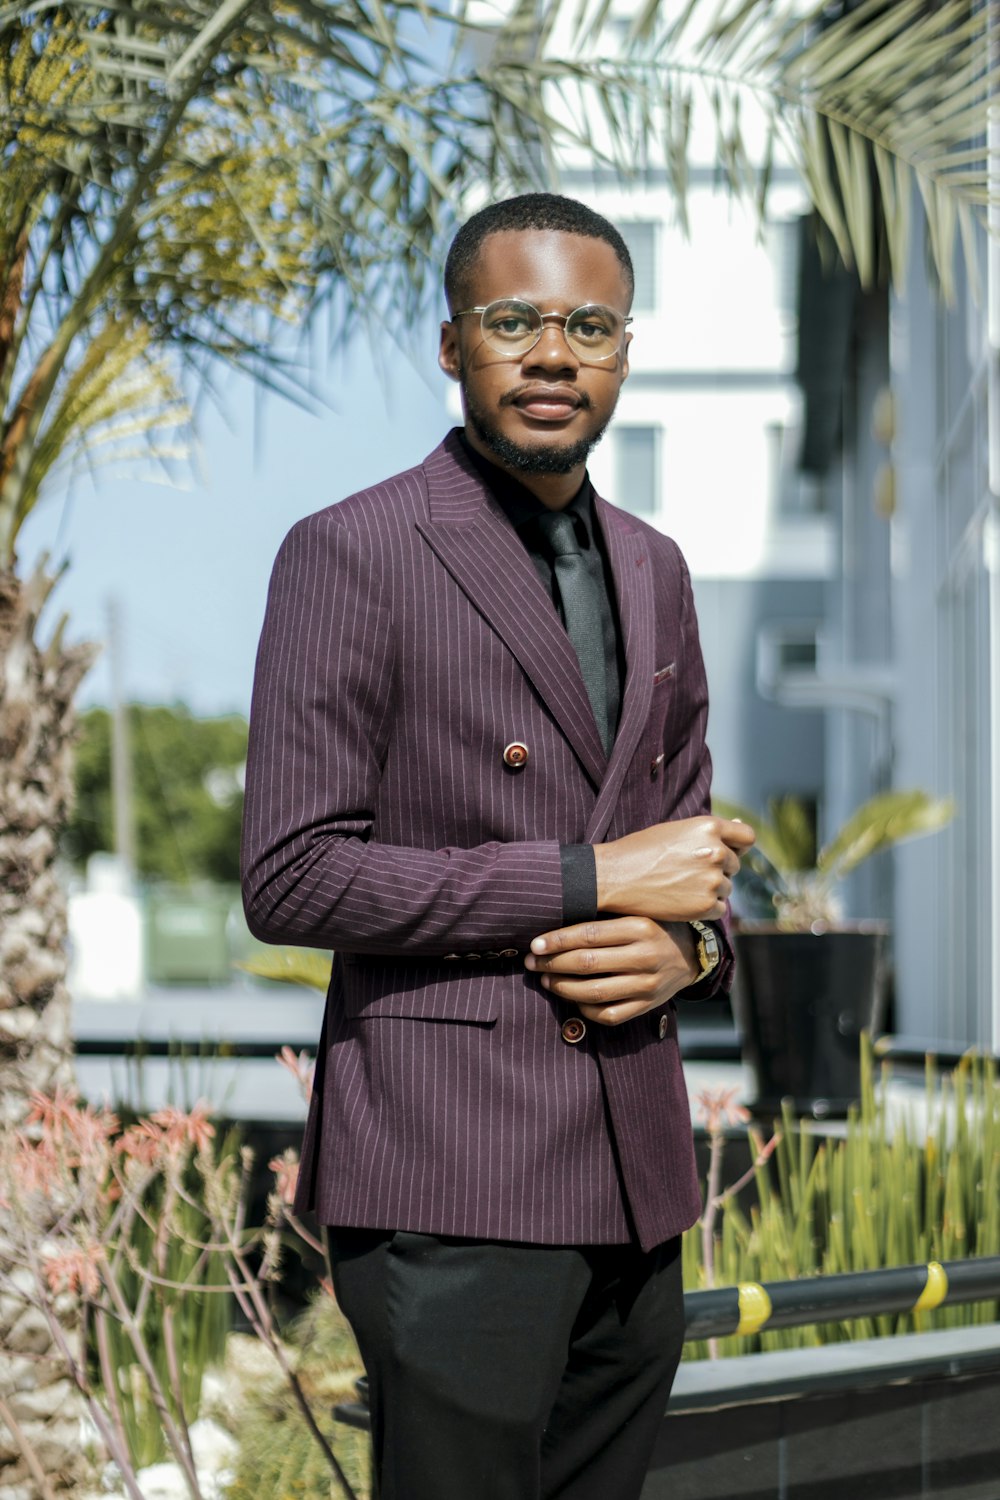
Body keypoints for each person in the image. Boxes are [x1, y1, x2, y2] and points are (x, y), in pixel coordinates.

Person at [241, 192, 754, 1500]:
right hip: (451, 1180)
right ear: (453, 344)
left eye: (588, 325)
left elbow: (693, 856)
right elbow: (293, 875)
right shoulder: (353, 551)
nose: (552, 354)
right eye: (513, 320)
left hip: (636, 1180)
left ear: (624, 350)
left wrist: (686, 955)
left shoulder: (658, 568)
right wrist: (587, 883)